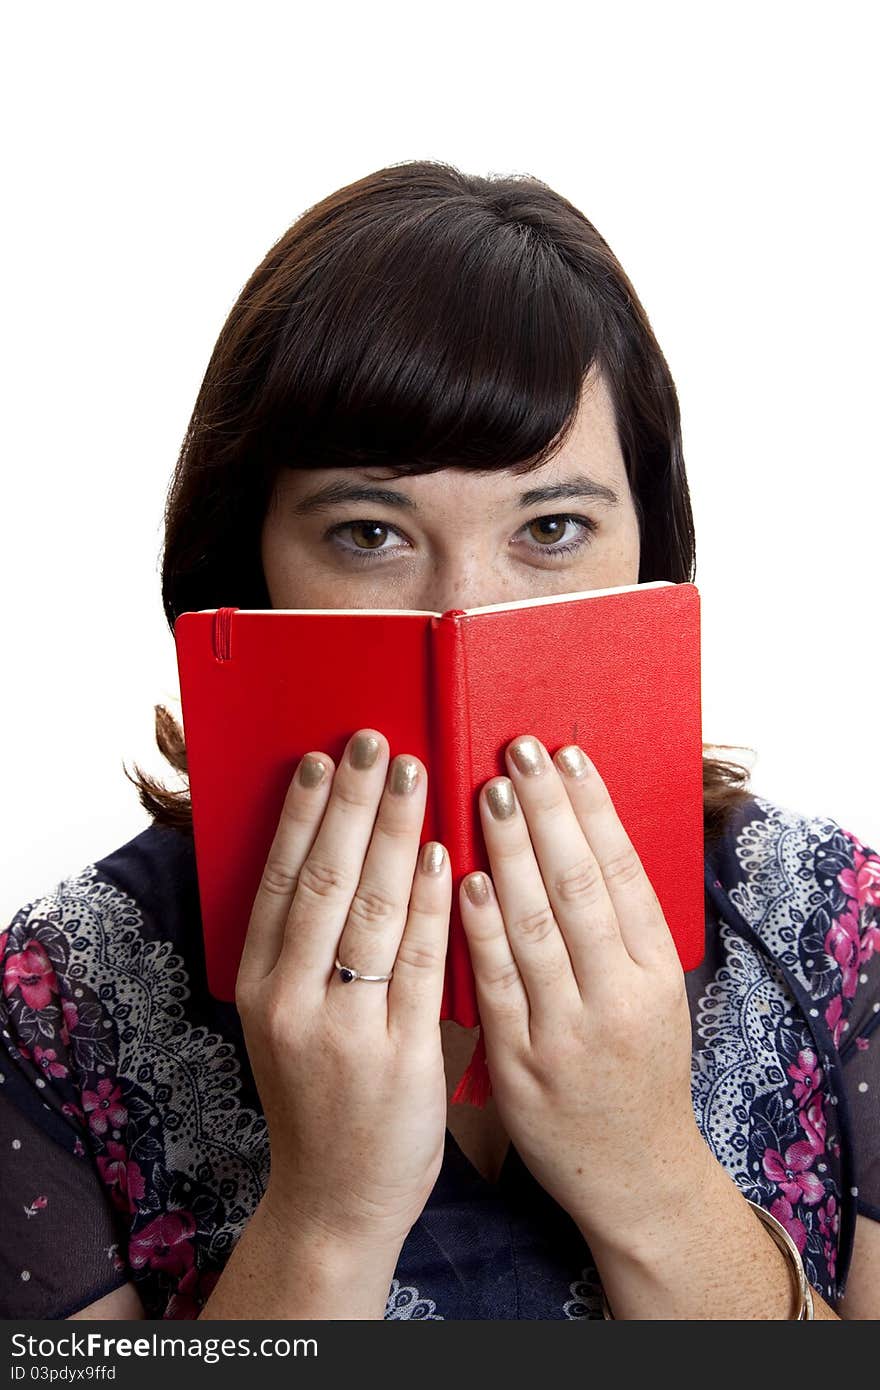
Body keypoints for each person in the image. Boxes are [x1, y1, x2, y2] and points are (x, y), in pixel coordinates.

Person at [1, 161, 878, 1321]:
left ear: (652, 560)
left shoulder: (826, 919)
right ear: (242, 568)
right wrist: (326, 1215)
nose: (467, 613)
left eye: (552, 526)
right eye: (368, 532)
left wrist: (654, 1179)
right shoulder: (61, 992)